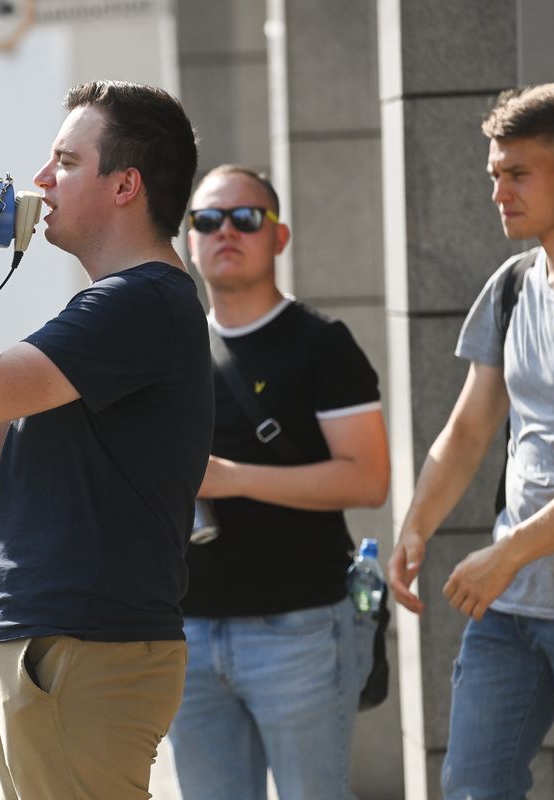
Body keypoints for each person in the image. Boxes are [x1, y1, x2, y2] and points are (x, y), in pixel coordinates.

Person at [0, 80, 213, 799]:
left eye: (64, 161)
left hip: (85, 644)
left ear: (125, 185)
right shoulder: (118, 307)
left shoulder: (139, 301)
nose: (39, 182)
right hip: (67, 644)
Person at [386, 83, 554, 799]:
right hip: (511, 612)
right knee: (474, 788)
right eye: (493, 176)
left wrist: (504, 553)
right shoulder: (513, 286)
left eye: (518, 173)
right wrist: (416, 527)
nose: (499, 192)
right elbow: (469, 428)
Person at [165, 164, 391, 799]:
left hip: (301, 629)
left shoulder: (322, 345)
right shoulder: (171, 348)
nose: (225, 231)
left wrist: (233, 479)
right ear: (189, 240)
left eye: (246, 218)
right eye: (206, 220)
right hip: (188, 630)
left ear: (279, 237)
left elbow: (368, 479)